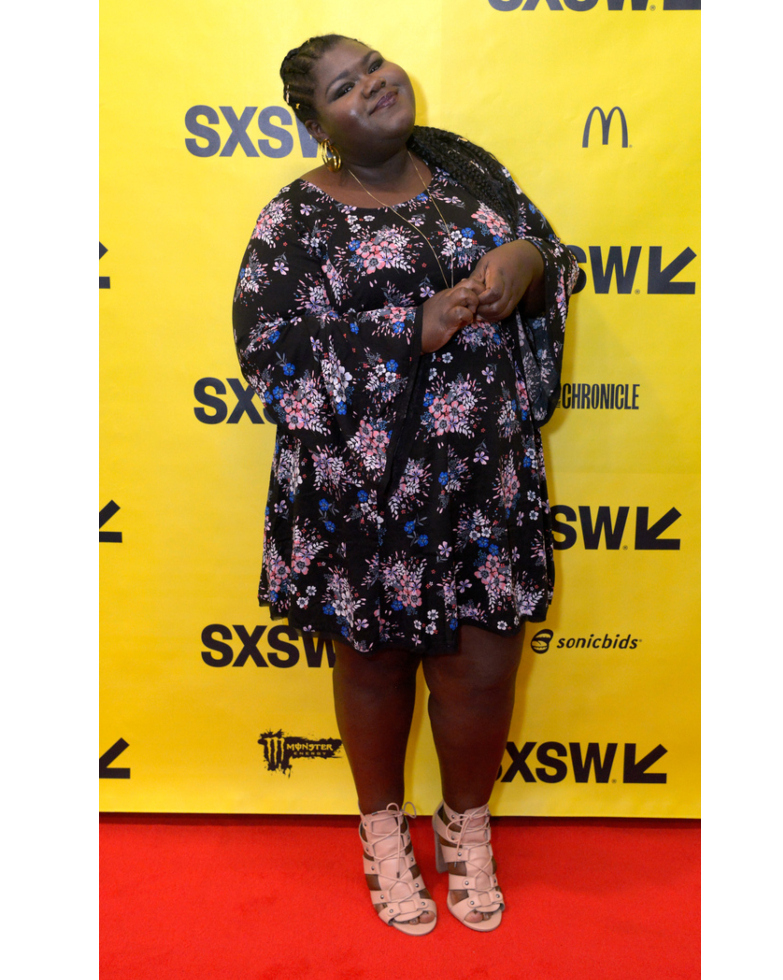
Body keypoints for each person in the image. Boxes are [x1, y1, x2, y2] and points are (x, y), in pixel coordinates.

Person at [232, 34, 578, 935]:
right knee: (376, 669)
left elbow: (539, 245)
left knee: (483, 670)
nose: (375, 84)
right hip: (363, 494)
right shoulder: (294, 222)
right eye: (345, 87)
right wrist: (411, 326)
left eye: (375, 64)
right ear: (318, 125)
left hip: (483, 478)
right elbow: (271, 364)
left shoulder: (468, 169)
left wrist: (527, 266)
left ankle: (466, 827)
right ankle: (382, 829)